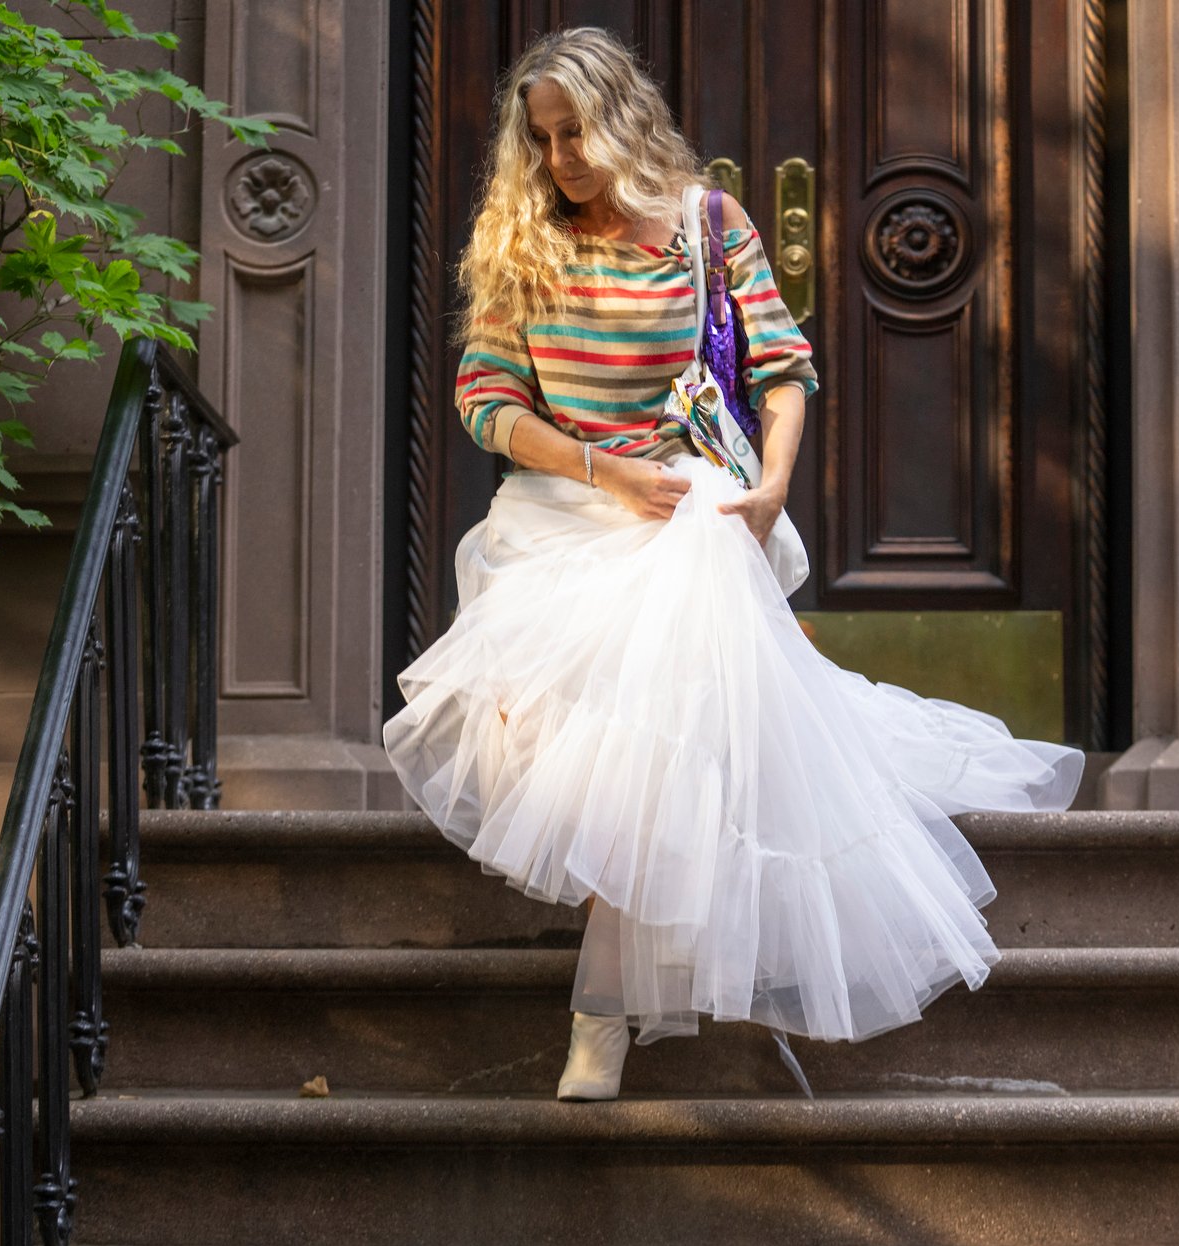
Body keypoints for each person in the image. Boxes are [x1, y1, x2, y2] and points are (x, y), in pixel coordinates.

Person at [381, 26, 1083, 1102]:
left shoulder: (710, 223)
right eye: (545, 138)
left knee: (652, 744)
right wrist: (598, 468)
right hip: (561, 514)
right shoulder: (520, 237)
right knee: (562, 742)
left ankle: (601, 1014)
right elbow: (486, 402)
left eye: (578, 133)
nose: (562, 159)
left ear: (623, 118)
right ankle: (623, 992)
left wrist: (770, 492)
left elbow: (786, 367)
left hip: (686, 515)